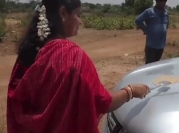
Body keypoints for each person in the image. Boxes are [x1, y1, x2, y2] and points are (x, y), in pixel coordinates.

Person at [6, 0, 150, 133]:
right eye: (78, 15)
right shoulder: (72, 56)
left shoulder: (29, 51)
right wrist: (130, 91)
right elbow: (103, 101)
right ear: (63, 13)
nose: (80, 21)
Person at [135, 0, 169, 64]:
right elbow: (138, 20)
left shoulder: (166, 13)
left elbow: (166, 25)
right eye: (161, 1)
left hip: (161, 45)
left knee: (156, 65)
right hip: (151, 45)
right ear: (157, 1)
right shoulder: (149, 11)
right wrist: (146, 30)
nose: (163, 3)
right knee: (149, 65)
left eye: (164, 1)